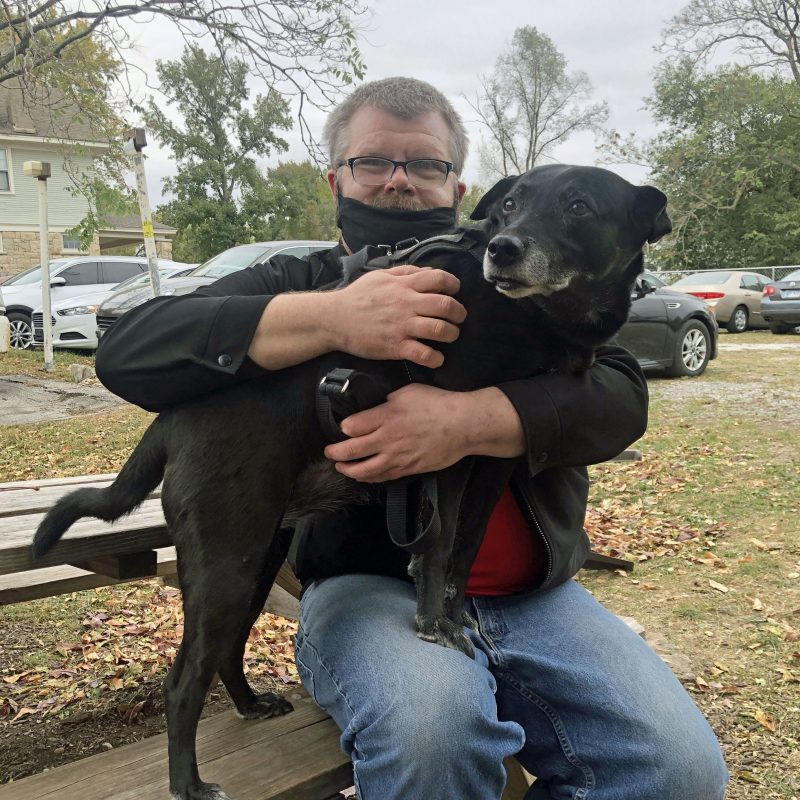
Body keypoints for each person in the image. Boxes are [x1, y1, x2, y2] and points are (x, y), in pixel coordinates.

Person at [95, 77, 728, 800]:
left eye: (425, 165)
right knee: (435, 736)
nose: (399, 180)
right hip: (369, 591)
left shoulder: (522, 273)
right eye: (374, 163)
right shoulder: (297, 277)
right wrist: (334, 318)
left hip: (536, 595)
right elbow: (129, 351)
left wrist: (471, 421)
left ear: (460, 187)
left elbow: (620, 396)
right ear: (335, 179)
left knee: (679, 769)